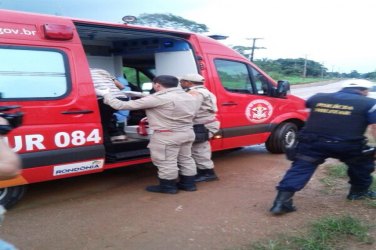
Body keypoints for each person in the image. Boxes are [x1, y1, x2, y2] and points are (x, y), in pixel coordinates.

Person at [270, 79, 376, 215]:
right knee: (362, 165)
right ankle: (358, 192)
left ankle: (281, 203)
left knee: (300, 168)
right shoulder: (370, 103)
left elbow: (304, 106)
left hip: (312, 143)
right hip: (348, 145)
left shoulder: (317, 97)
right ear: (364, 90)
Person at [95, 75, 199, 194]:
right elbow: (164, 99)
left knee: (166, 161)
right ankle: (188, 184)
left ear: (158, 85)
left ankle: (168, 187)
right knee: (186, 159)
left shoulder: (158, 98)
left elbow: (120, 105)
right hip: (187, 133)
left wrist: (106, 94)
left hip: (167, 136)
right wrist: (140, 94)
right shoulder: (189, 96)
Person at [180, 73, 220, 182]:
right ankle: (205, 172)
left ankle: (208, 174)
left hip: (201, 124)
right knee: (200, 148)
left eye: (182, 81)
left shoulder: (195, 93)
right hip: (206, 123)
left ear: (189, 82)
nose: (181, 83)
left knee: (199, 149)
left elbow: (190, 110)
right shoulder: (205, 91)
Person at [90, 68, 128, 142]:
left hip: (105, 99)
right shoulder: (102, 70)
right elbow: (121, 86)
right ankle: (117, 133)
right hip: (121, 97)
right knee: (107, 117)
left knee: (102, 126)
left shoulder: (80, 73)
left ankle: (108, 150)